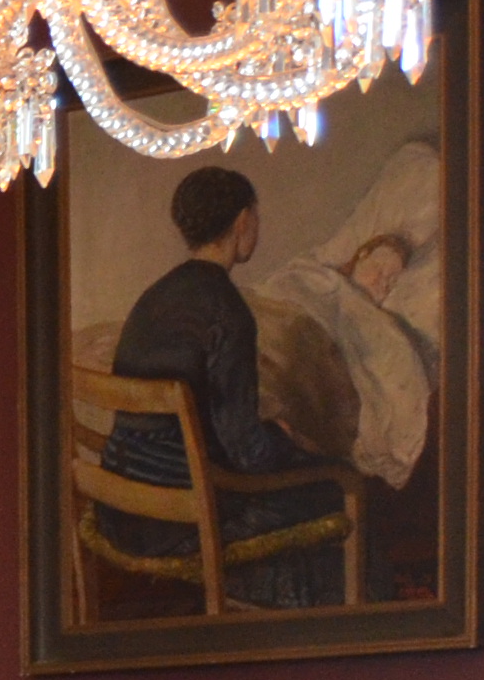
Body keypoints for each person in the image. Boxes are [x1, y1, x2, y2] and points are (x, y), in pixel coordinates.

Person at [100, 163, 347, 612]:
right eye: (256, 216)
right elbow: (247, 454)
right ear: (243, 221)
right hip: (179, 519)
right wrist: (291, 442)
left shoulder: (156, 295)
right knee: (331, 490)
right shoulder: (228, 312)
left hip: (120, 508)